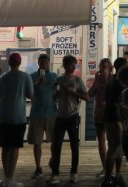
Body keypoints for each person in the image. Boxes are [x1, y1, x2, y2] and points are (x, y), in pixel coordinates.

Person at [0, 52, 33, 187]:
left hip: (3, 116)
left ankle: (5, 177)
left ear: (9, 63)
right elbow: (30, 95)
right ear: (20, 63)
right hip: (18, 117)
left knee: (5, 148)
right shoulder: (25, 77)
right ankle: (11, 178)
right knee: (15, 148)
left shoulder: (2, 78)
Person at [49, 54, 88, 185]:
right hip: (60, 116)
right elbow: (53, 98)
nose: (73, 67)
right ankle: (55, 174)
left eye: (74, 65)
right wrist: (56, 94)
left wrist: (74, 92)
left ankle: (74, 172)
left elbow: (87, 97)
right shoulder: (58, 80)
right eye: (71, 64)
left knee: (74, 145)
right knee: (56, 146)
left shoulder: (78, 80)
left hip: (73, 116)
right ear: (65, 65)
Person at [29, 54, 57, 180]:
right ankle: (38, 167)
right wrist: (37, 83)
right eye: (40, 63)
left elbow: (57, 93)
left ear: (48, 64)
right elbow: (28, 94)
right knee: (37, 142)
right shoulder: (32, 77)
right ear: (38, 63)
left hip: (51, 113)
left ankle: (53, 160)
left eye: (45, 63)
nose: (42, 65)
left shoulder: (53, 76)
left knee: (54, 141)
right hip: (36, 114)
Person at [102, 57, 128, 186]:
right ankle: (107, 178)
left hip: (110, 117)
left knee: (118, 148)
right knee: (114, 149)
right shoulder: (118, 83)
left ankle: (117, 175)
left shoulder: (112, 80)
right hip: (115, 119)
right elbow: (118, 103)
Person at [86, 58, 112, 177]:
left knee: (112, 142)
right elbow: (89, 95)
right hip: (98, 114)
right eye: (101, 66)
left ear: (110, 69)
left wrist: (106, 80)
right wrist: (95, 82)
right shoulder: (97, 81)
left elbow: (113, 94)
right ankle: (105, 168)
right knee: (101, 141)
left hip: (111, 115)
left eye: (105, 66)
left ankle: (112, 170)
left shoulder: (113, 80)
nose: (102, 69)